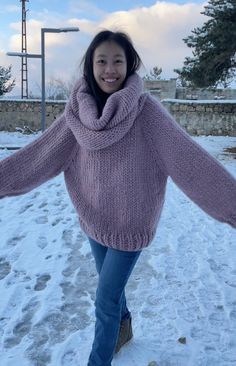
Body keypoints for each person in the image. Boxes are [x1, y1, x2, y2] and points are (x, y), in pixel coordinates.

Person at [0, 30, 236, 366]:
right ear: (90, 66)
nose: (109, 69)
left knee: (105, 299)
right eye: (101, 61)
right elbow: (40, 156)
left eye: (118, 61)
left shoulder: (148, 114)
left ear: (130, 65)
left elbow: (192, 163)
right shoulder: (76, 114)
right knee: (111, 292)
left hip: (131, 224)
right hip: (94, 219)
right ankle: (123, 329)